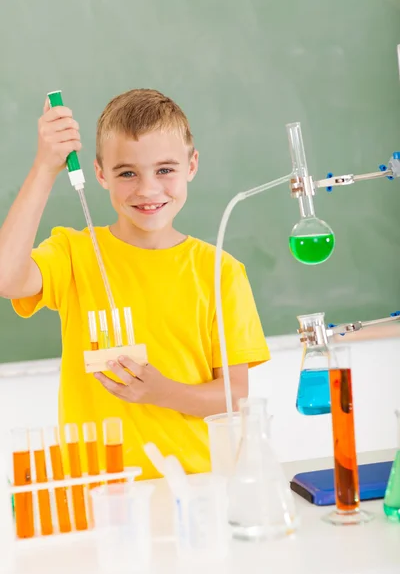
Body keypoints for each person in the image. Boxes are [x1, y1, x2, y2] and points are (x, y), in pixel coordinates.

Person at [0, 89, 270, 478]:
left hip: (193, 487)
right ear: (99, 174)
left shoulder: (220, 271)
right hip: (97, 489)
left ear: (192, 165)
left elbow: (235, 395)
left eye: (165, 169)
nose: (147, 189)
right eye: (127, 172)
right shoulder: (74, 254)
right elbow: (8, 278)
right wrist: (45, 167)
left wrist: (163, 392)